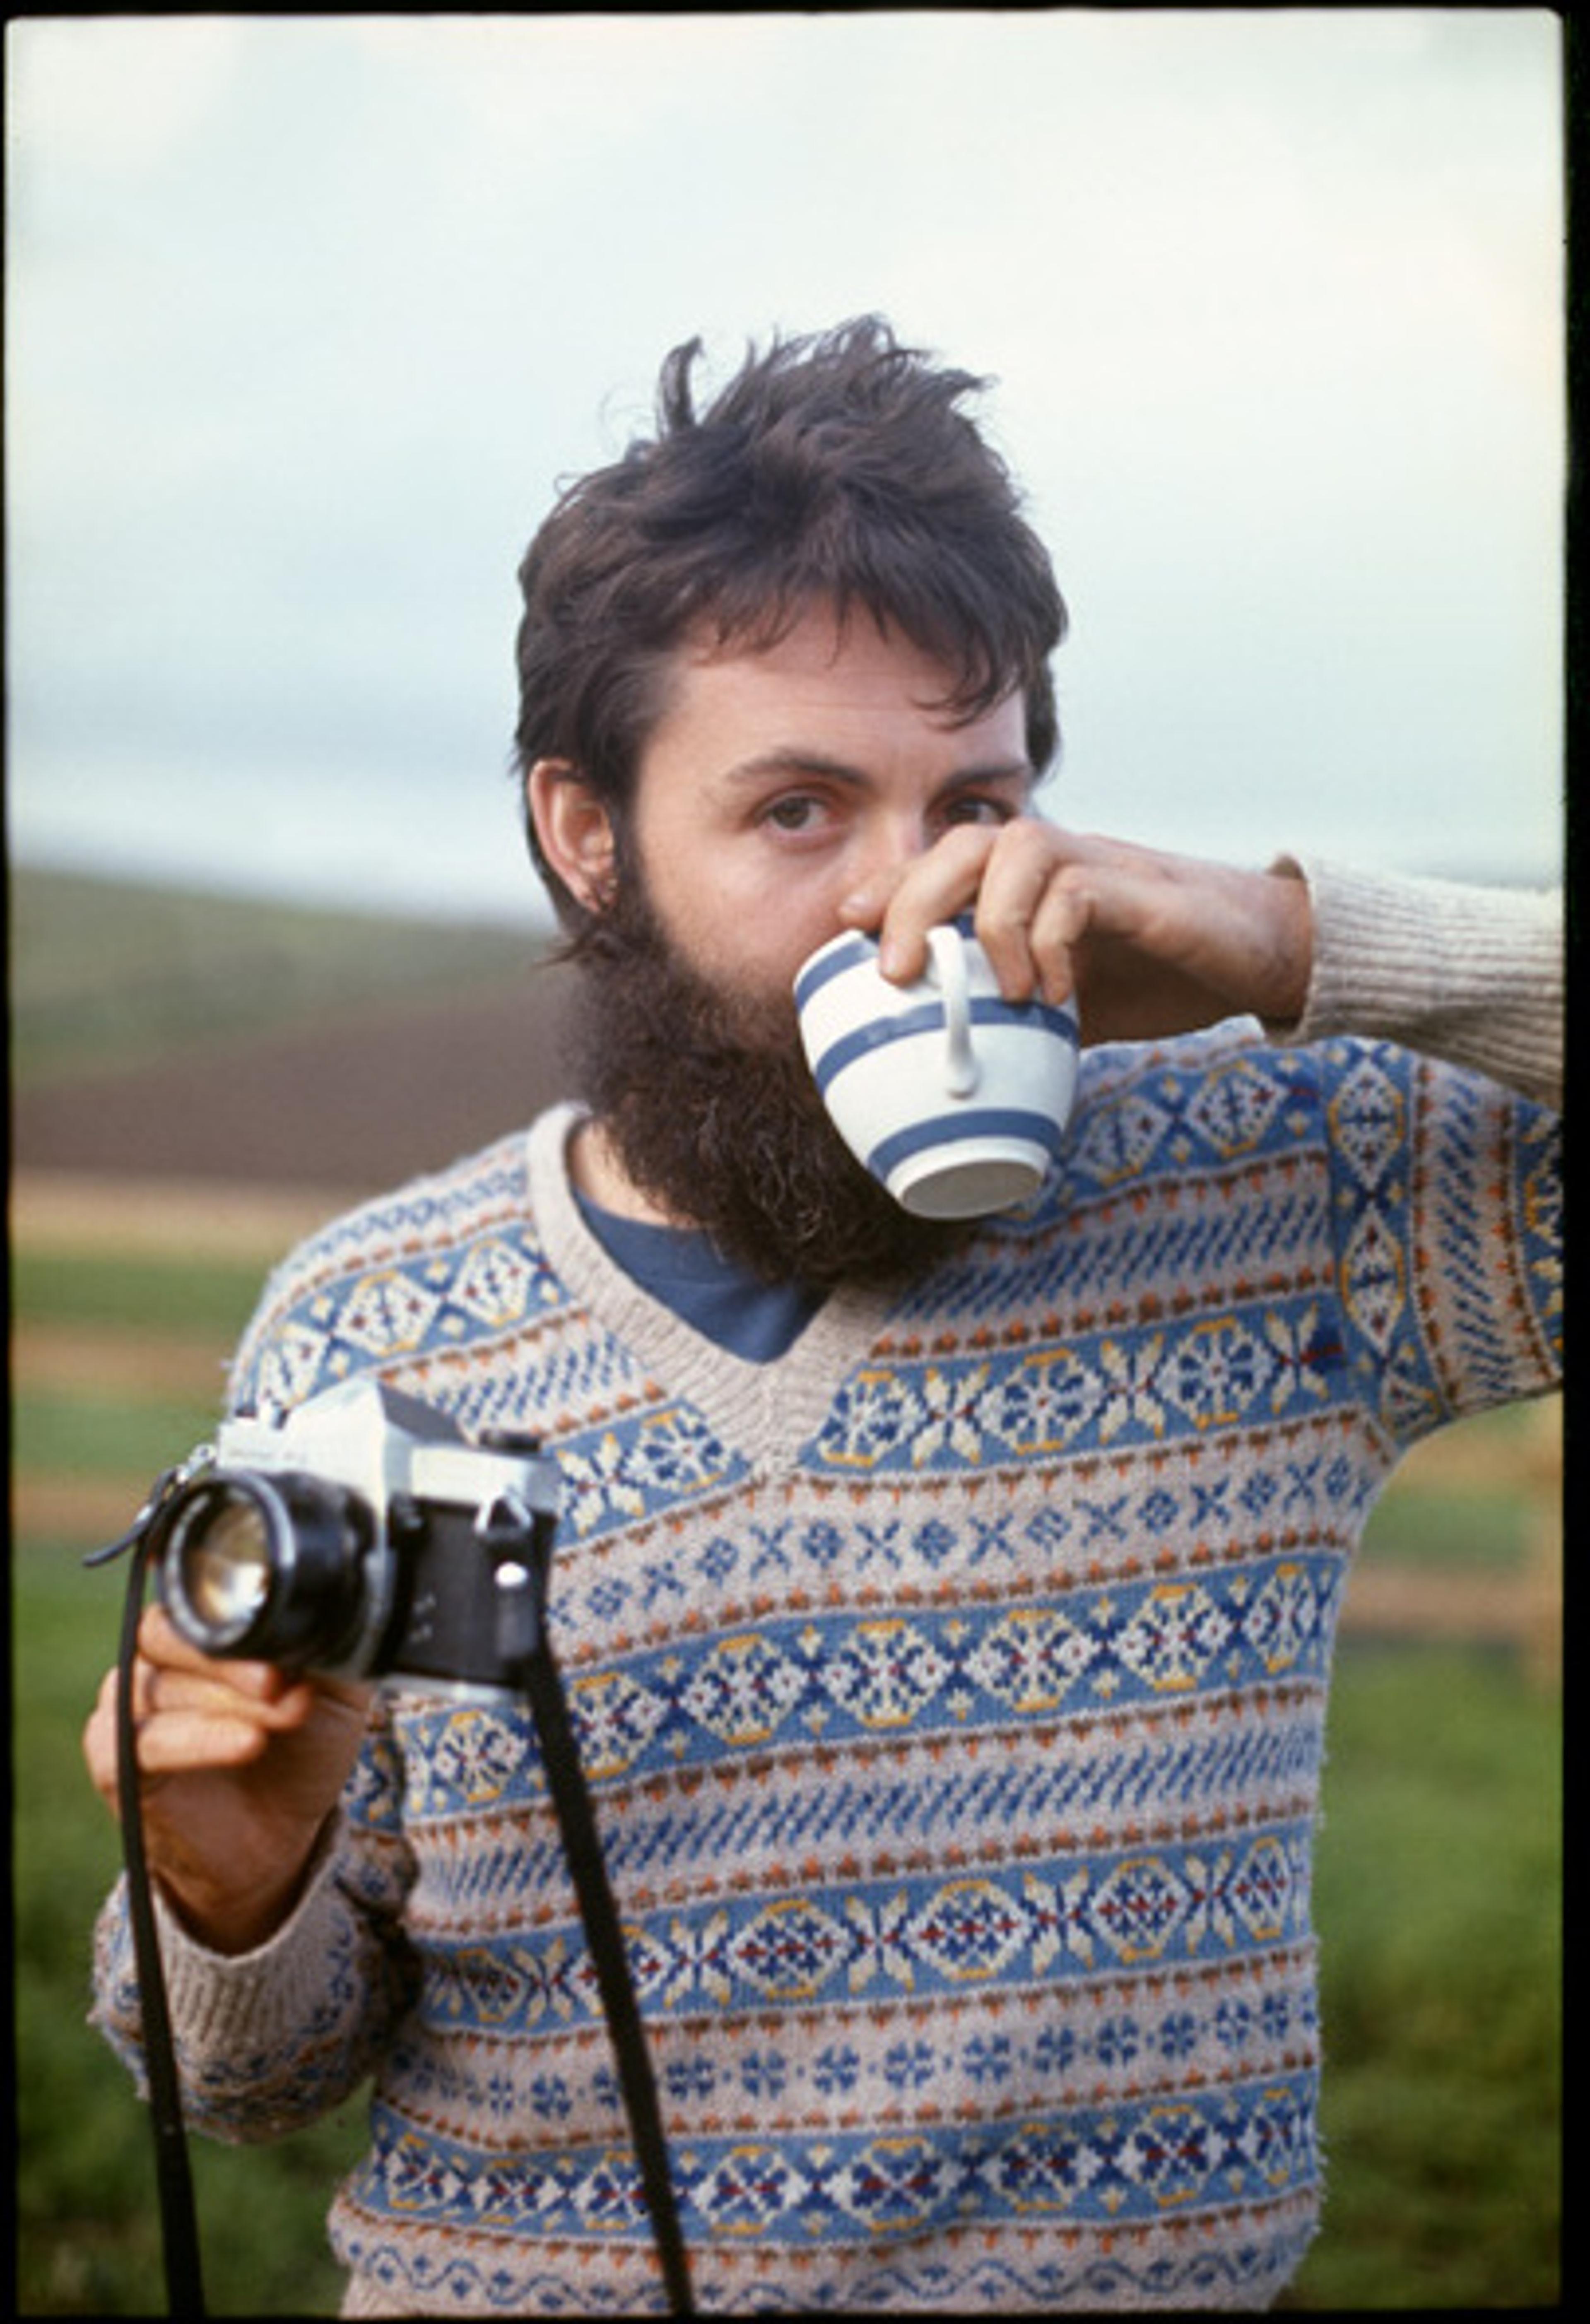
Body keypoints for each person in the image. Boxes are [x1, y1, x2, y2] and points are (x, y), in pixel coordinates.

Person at [84, 317, 1562, 2316]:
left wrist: (1295, 941)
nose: (915, 904)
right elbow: (250, 2085)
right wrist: (229, 1874)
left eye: (972, 804)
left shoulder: (1277, 1191)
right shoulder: (375, 1321)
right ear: (586, 837)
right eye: (797, 811)